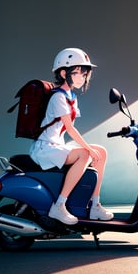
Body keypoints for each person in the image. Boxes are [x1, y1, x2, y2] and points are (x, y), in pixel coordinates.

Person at [29, 48, 113, 225]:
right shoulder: (58, 97)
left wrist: (91, 149)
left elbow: (69, 130)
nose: (81, 77)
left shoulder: (71, 97)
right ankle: (59, 206)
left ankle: (95, 205)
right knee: (85, 153)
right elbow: (71, 129)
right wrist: (87, 149)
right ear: (62, 73)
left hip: (56, 145)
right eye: (76, 73)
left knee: (102, 152)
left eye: (84, 73)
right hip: (46, 148)